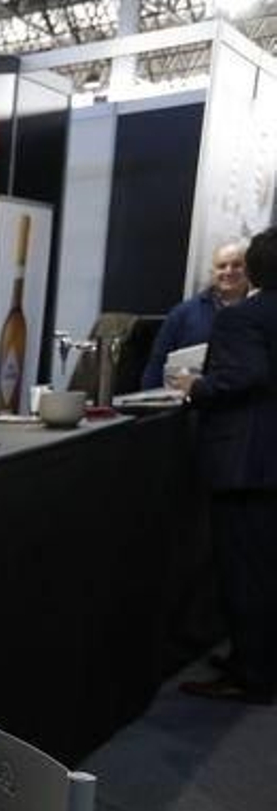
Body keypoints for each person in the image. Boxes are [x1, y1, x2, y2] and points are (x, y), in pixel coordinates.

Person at [169, 226, 276, 705]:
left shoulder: (242, 319)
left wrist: (197, 386)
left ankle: (251, 676)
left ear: (252, 268)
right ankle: (252, 660)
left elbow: (242, 376)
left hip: (246, 463)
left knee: (243, 572)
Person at [142, 239, 249, 390]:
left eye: (237, 265)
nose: (228, 271)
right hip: (188, 405)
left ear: (249, 270)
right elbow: (156, 366)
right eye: (221, 266)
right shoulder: (182, 314)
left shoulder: (260, 314)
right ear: (212, 272)